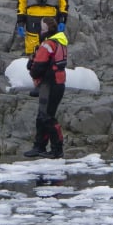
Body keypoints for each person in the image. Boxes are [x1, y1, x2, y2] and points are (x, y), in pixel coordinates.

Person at [24, 16, 69, 158]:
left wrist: (33, 70)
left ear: (46, 29)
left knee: (47, 117)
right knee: (43, 116)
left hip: (50, 83)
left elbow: (38, 66)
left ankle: (56, 149)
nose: (40, 31)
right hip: (58, 83)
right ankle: (39, 146)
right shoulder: (60, 42)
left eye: (42, 28)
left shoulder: (48, 44)